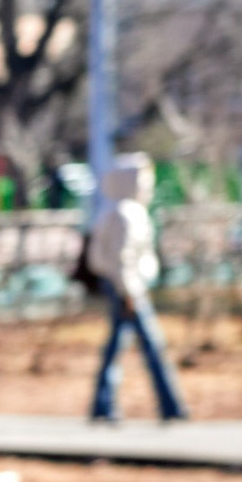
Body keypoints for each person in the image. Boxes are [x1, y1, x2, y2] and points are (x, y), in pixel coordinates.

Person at [85, 153, 189, 422]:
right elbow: (122, 259)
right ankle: (171, 407)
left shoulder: (115, 209)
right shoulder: (125, 213)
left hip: (124, 287)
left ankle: (103, 405)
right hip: (128, 289)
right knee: (151, 346)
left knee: (117, 346)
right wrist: (129, 293)